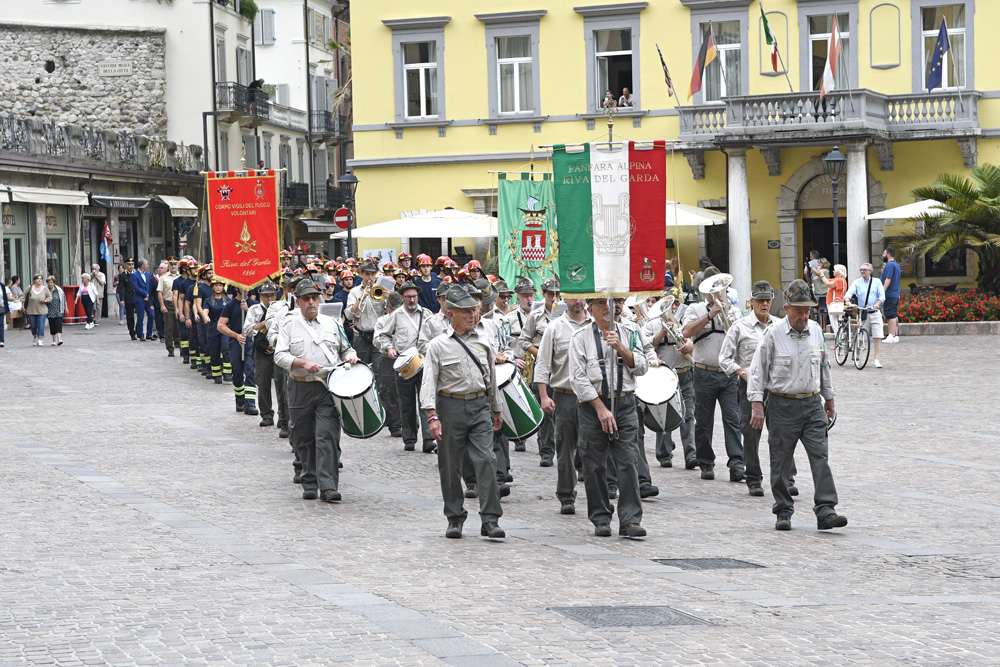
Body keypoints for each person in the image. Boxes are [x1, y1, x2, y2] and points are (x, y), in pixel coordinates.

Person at [748, 279, 847, 532]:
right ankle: (783, 510)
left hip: (813, 403)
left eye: (808, 310)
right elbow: (758, 371)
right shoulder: (773, 334)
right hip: (782, 405)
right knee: (780, 461)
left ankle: (826, 509)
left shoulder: (815, 330)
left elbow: (824, 365)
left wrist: (830, 397)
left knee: (820, 457)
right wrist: (757, 405)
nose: (804, 315)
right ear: (787, 308)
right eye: (799, 311)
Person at [420, 284, 506, 540]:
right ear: (452, 314)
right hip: (450, 407)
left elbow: (491, 378)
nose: (473, 316)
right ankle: (454, 517)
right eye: (467, 311)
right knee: (449, 466)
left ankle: (490, 520)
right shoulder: (437, 345)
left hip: (480, 407)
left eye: (475, 311)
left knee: (487, 461)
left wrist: (496, 408)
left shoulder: (484, 342)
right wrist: (432, 417)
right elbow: (429, 383)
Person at [569, 297, 648, 539]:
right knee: (594, 466)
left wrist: (621, 348)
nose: (608, 307)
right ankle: (601, 517)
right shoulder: (580, 338)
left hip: (625, 403)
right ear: (589, 308)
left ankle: (630, 520)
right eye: (601, 302)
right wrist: (601, 408)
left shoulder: (630, 332)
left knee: (628, 462)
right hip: (593, 407)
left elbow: (643, 366)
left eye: (613, 302)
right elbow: (577, 377)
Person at [275, 278, 359, 503]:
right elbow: (279, 355)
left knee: (327, 436)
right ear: (298, 302)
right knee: (302, 436)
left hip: (326, 387)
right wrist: (301, 363)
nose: (311, 302)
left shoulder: (332, 323)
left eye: (315, 298)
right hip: (299, 386)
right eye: (306, 299)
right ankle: (309, 482)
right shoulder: (288, 324)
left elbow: (345, 348)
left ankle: (329, 486)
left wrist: (350, 356)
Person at [719, 281, 793, 498]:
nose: (764, 304)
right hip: (749, 387)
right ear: (751, 301)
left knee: (782, 434)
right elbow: (723, 358)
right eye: (760, 300)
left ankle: (787, 479)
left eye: (768, 300)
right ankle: (753, 479)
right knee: (750, 434)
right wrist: (741, 371)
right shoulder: (739, 327)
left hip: (777, 387)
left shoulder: (780, 325)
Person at [682, 267, 744, 482]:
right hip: (704, 372)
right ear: (705, 290)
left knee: (733, 419)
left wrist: (726, 313)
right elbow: (686, 331)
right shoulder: (695, 308)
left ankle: (737, 463)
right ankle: (706, 462)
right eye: (713, 288)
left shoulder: (734, 311)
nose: (717, 292)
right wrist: (709, 315)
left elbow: (740, 338)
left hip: (728, 374)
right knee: (704, 421)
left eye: (720, 288)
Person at [535, 295, 592, 515]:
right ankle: (567, 495)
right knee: (565, 449)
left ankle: (605, 488)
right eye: (573, 297)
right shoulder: (554, 328)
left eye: (581, 297)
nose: (578, 301)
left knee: (594, 448)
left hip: (590, 397)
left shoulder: (595, 325)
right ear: (564, 299)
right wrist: (543, 395)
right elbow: (543, 363)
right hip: (564, 395)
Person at [377, 281, 435, 453]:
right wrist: (389, 348)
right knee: (406, 403)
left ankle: (428, 439)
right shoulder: (396, 315)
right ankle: (409, 438)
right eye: (408, 297)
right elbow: (384, 335)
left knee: (425, 402)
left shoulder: (426, 314)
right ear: (402, 298)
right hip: (404, 365)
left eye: (414, 296)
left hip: (423, 362)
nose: (412, 300)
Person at [642, 289, 696, 470]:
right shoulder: (651, 324)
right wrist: (660, 335)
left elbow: (695, 338)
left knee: (688, 414)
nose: (671, 308)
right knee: (664, 414)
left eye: (674, 304)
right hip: (665, 374)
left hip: (685, 372)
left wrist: (690, 344)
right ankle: (664, 454)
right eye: (666, 304)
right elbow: (644, 345)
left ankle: (691, 455)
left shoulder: (683, 322)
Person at [515, 277, 561, 467]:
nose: (554, 297)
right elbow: (524, 341)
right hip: (543, 368)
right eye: (551, 294)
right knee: (546, 411)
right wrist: (542, 355)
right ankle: (546, 452)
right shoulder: (536, 315)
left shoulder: (566, 313)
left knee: (567, 412)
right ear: (544, 294)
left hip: (564, 367)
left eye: (557, 294)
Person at [504, 278, 536, 452]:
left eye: (530, 295)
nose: (529, 299)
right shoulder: (509, 319)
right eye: (525, 296)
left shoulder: (539, 316)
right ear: (518, 297)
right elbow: (503, 343)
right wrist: (513, 360)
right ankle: (520, 437)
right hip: (518, 363)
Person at [218, 287, 259, 416]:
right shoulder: (230, 305)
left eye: (247, 288)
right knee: (236, 372)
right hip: (235, 342)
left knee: (250, 369)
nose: (245, 290)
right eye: (242, 288)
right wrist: (235, 335)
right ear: (236, 288)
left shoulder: (255, 305)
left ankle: (250, 403)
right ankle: (240, 399)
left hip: (251, 341)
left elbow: (262, 322)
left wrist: (248, 310)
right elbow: (220, 325)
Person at [243, 280, 279, 427]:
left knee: (281, 385)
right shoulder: (254, 310)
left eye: (272, 295)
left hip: (278, 350)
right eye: (266, 296)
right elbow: (247, 330)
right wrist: (263, 323)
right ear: (260, 297)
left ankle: (283, 417)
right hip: (261, 351)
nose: (269, 299)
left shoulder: (280, 309)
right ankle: (266, 415)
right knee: (263, 383)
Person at [374, 290, 405, 439]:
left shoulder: (406, 318)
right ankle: (394, 424)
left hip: (404, 358)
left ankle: (409, 423)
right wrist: (389, 344)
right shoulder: (381, 321)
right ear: (388, 307)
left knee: (406, 391)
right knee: (389, 391)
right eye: (394, 308)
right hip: (387, 358)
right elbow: (376, 340)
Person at [845, 263, 886, 368]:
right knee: (861, 336)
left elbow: (882, 296)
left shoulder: (876, 282)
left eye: (865, 269)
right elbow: (849, 293)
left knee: (877, 336)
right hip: (863, 312)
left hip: (875, 312)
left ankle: (876, 359)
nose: (862, 271)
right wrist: (848, 301)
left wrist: (877, 304)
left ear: (870, 271)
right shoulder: (857, 282)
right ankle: (857, 354)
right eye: (861, 269)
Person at [202, 278, 232, 383]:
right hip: (213, 328)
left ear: (223, 287)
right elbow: (205, 311)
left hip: (225, 328)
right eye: (216, 285)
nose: (218, 287)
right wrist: (205, 317)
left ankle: (228, 373)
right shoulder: (208, 300)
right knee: (214, 353)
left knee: (225, 348)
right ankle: (216, 374)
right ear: (212, 287)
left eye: (220, 285)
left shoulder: (228, 301)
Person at [158, 259, 180, 356]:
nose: (173, 266)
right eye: (171, 264)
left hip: (180, 304)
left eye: (175, 264)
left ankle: (181, 347)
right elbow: (160, 292)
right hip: (168, 303)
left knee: (180, 327)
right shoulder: (164, 277)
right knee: (169, 328)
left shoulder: (181, 277)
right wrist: (162, 305)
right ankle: (170, 349)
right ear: (169, 266)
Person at [820, 264, 848, 340]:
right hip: (836, 303)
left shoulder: (839, 280)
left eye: (834, 270)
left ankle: (839, 340)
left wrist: (822, 275)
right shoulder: (840, 280)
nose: (833, 271)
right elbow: (826, 281)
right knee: (838, 322)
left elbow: (828, 284)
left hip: (834, 303)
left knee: (834, 323)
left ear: (838, 272)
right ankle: (840, 339)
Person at [881, 248, 902, 344]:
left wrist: (882, 291)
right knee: (892, 314)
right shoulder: (896, 265)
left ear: (888, 254)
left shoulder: (889, 265)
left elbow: (888, 279)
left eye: (884, 253)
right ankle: (894, 334)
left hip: (889, 293)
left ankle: (892, 335)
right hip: (895, 293)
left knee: (891, 314)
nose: (883, 255)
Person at [131, 259, 155, 341]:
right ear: (142, 266)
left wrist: (149, 295)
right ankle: (140, 334)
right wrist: (145, 294)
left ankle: (149, 333)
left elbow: (149, 285)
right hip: (139, 299)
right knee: (140, 317)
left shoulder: (148, 274)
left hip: (148, 299)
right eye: (147, 264)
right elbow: (136, 287)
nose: (147, 266)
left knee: (151, 315)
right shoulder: (134, 275)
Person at [25, 274, 51, 346]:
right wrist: (23, 306)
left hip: (42, 310)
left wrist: (46, 300)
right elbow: (24, 297)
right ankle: (35, 336)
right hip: (31, 310)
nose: (39, 280)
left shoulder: (45, 288)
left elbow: (50, 297)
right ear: (34, 280)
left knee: (41, 325)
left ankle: (40, 339)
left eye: (41, 279)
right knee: (33, 326)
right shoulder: (29, 288)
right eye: (37, 279)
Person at [810, 258, 830, 331]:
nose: (818, 265)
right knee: (818, 309)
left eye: (820, 263)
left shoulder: (824, 271)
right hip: (818, 292)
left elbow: (818, 274)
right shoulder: (821, 271)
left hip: (823, 292)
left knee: (823, 310)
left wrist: (811, 267)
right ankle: (821, 325)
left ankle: (823, 326)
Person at [45, 276, 66, 346]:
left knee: (58, 324)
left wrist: (66, 307)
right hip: (50, 310)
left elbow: (64, 298)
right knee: (52, 325)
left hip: (58, 310)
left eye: (51, 282)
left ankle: (59, 339)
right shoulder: (46, 290)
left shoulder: (59, 290)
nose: (50, 284)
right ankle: (54, 340)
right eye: (48, 282)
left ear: (54, 283)